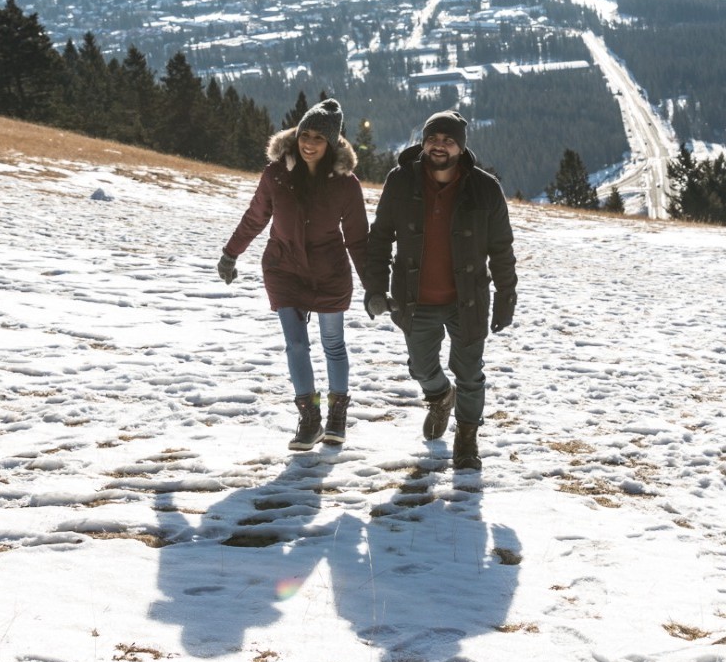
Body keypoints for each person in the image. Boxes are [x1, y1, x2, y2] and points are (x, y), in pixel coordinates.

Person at [362, 109, 517, 473]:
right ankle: (439, 397)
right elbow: (381, 237)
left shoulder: (485, 188)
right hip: (414, 299)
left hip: (468, 300)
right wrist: (375, 288)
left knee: (469, 373)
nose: (439, 145)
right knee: (421, 368)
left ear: (461, 148)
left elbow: (502, 248)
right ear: (423, 141)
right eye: (434, 138)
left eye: (448, 140)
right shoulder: (400, 181)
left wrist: (507, 297)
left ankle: (466, 437)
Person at [219, 98, 377, 450]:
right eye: (305, 134)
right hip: (283, 267)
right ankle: (310, 419)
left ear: (332, 143)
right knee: (295, 344)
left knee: (333, 344)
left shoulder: (345, 183)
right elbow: (256, 216)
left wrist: (374, 286)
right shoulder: (276, 173)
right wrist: (231, 254)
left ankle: (337, 417)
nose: (309, 143)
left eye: (318, 138)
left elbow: (357, 238)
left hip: (329, 271)